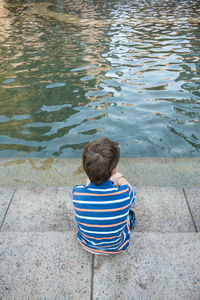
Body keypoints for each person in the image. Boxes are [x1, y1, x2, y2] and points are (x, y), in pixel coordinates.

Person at [72, 138, 136, 255]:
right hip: (117, 246)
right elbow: (133, 196)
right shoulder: (125, 194)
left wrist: (93, 177)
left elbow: (87, 186)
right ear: (115, 169)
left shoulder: (76, 193)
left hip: (87, 244)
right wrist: (119, 179)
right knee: (129, 213)